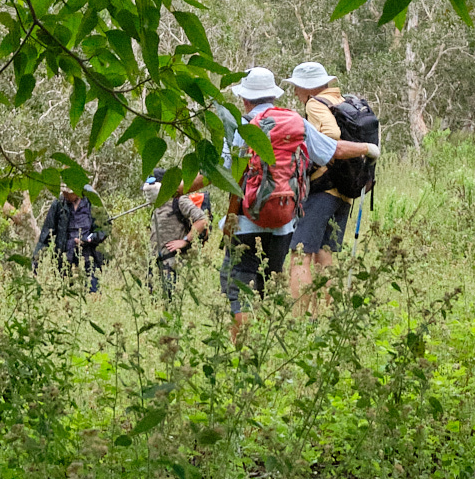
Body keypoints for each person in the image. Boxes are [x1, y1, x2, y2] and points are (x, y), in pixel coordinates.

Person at [219, 67, 378, 339]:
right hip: (284, 222)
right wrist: (367, 149)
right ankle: (310, 324)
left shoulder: (244, 127)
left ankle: (243, 350)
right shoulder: (295, 121)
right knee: (270, 285)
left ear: (245, 100)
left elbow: (227, 174)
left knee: (239, 290)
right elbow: (335, 149)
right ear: (273, 95)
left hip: (248, 221)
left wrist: (178, 191)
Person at [285, 61, 379, 301]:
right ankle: (325, 314)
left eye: (297, 87)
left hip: (321, 189)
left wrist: (317, 157)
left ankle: (299, 315)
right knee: (325, 254)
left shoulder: (315, 103)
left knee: (300, 254)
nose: (295, 92)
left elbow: (331, 136)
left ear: (308, 87)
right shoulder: (344, 102)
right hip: (345, 189)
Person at [144, 168, 211, 295]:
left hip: (173, 262)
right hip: (155, 262)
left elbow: (202, 220)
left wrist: (185, 241)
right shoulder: (156, 205)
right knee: (153, 299)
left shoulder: (179, 200)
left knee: (171, 299)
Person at [33, 186, 105, 292]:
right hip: (65, 260)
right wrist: (35, 262)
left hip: (89, 259)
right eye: (64, 192)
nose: (65, 195)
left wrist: (89, 239)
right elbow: (45, 235)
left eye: (68, 193)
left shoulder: (92, 202)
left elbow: (104, 229)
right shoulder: (58, 204)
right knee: (65, 293)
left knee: (92, 292)